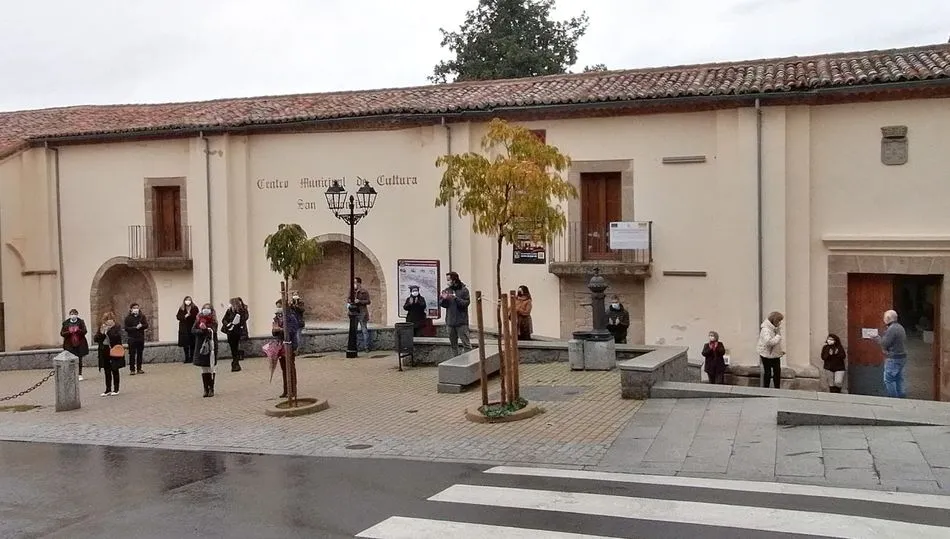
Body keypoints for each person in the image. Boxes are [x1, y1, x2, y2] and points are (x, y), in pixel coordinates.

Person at [875, 309, 907, 398]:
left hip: (894, 358)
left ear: (888, 318)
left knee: (889, 380)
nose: (883, 320)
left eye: (884, 318)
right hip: (902, 357)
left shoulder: (892, 329)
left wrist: (877, 339)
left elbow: (885, 343)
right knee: (899, 378)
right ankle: (901, 396)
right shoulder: (900, 327)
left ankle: (893, 399)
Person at [272, 299, 300, 398]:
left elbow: (292, 331)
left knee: (290, 368)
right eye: (277, 306)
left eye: (280, 306)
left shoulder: (291, 317)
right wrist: (275, 329)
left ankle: (293, 390)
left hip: (290, 345)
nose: (278, 309)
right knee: (284, 368)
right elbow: (274, 333)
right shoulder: (277, 318)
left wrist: (281, 329)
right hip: (280, 345)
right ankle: (286, 390)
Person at [440, 271, 471, 357]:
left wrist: (456, 298)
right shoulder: (447, 290)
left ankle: (468, 362)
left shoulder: (464, 290)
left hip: (461, 322)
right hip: (450, 322)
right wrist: (444, 299)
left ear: (454, 280)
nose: (448, 281)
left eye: (449, 279)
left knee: (466, 344)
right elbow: (443, 304)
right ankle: (455, 361)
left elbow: (465, 303)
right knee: (453, 345)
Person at [93, 313, 124, 396]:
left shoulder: (117, 327)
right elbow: (96, 339)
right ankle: (108, 389)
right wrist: (102, 333)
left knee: (114, 369)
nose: (109, 321)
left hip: (114, 351)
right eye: (107, 319)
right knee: (107, 370)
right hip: (105, 350)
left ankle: (116, 389)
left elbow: (117, 337)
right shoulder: (102, 327)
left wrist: (108, 332)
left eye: (110, 319)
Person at [192, 303, 219, 398]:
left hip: (211, 346)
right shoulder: (198, 319)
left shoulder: (213, 320)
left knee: (211, 367)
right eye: (204, 308)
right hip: (201, 346)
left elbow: (213, 331)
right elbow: (193, 330)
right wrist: (201, 330)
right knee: (204, 368)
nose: (206, 310)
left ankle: (211, 388)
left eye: (208, 309)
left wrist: (206, 329)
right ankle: (205, 389)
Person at [757, 311, 785, 389]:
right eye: (779, 321)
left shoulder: (774, 329)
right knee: (768, 373)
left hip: (775, 354)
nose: (780, 323)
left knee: (777, 373)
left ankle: (777, 389)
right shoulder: (765, 329)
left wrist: (780, 351)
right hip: (766, 355)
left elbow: (777, 343)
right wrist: (778, 336)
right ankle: (766, 389)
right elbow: (769, 342)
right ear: (775, 320)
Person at [221, 297, 249, 372]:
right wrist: (228, 324)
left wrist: (237, 323)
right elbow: (224, 320)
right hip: (230, 332)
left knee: (235, 347)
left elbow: (244, 318)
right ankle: (235, 362)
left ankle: (235, 363)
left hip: (237, 331)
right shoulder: (229, 311)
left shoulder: (242, 311)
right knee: (233, 347)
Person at [60, 309, 89, 381]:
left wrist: (78, 330)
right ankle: (70, 374)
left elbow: (85, 331)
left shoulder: (81, 322)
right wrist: (69, 332)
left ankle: (79, 374)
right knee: (70, 359)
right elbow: (62, 333)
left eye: (74, 314)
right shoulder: (66, 323)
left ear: (77, 314)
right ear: (70, 315)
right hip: (69, 344)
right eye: (72, 314)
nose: (73, 315)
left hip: (79, 343)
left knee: (79, 359)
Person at [123, 303, 149, 375]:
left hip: (140, 338)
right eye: (134, 308)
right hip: (132, 338)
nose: (136, 309)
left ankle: (139, 368)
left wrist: (142, 326)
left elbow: (146, 325)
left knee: (140, 353)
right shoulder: (128, 318)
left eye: (137, 308)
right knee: (132, 354)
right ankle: (132, 369)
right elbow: (126, 328)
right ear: (131, 309)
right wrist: (134, 328)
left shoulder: (142, 316)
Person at [176, 296, 199, 363]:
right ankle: (186, 358)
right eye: (186, 300)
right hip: (184, 329)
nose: (188, 301)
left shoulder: (194, 308)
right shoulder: (181, 308)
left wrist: (190, 315)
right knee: (185, 344)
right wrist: (185, 316)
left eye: (189, 300)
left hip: (191, 327)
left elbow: (197, 316)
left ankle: (192, 358)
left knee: (192, 344)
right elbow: (178, 317)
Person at [351, 278, 372, 351]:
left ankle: (366, 347)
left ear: (359, 283)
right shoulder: (352, 291)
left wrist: (360, 301)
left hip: (362, 313)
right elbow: (348, 299)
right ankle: (354, 347)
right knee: (354, 330)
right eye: (353, 282)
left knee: (364, 330)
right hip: (354, 313)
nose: (354, 284)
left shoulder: (364, 291)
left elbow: (368, 301)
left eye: (355, 282)